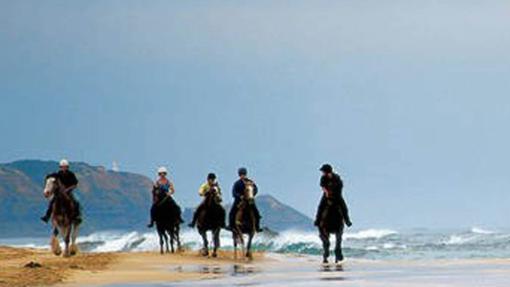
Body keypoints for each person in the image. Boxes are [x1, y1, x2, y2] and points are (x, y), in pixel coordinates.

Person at [41, 159, 82, 224]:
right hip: (59, 193)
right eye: (62, 167)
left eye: (65, 167)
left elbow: (75, 184)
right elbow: (51, 176)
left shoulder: (71, 174)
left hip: (69, 192)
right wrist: (48, 176)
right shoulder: (58, 174)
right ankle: (47, 216)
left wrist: (68, 189)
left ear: (67, 167)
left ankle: (76, 217)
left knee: (76, 201)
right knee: (52, 202)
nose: (63, 168)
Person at [228, 167, 263, 232]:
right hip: (239, 200)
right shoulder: (237, 183)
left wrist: (252, 195)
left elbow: (255, 189)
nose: (242, 176)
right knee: (232, 212)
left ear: (246, 174)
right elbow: (234, 192)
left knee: (256, 213)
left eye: (243, 174)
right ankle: (231, 226)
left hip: (249, 200)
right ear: (239, 175)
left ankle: (257, 227)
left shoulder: (250, 182)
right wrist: (239, 196)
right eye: (241, 175)